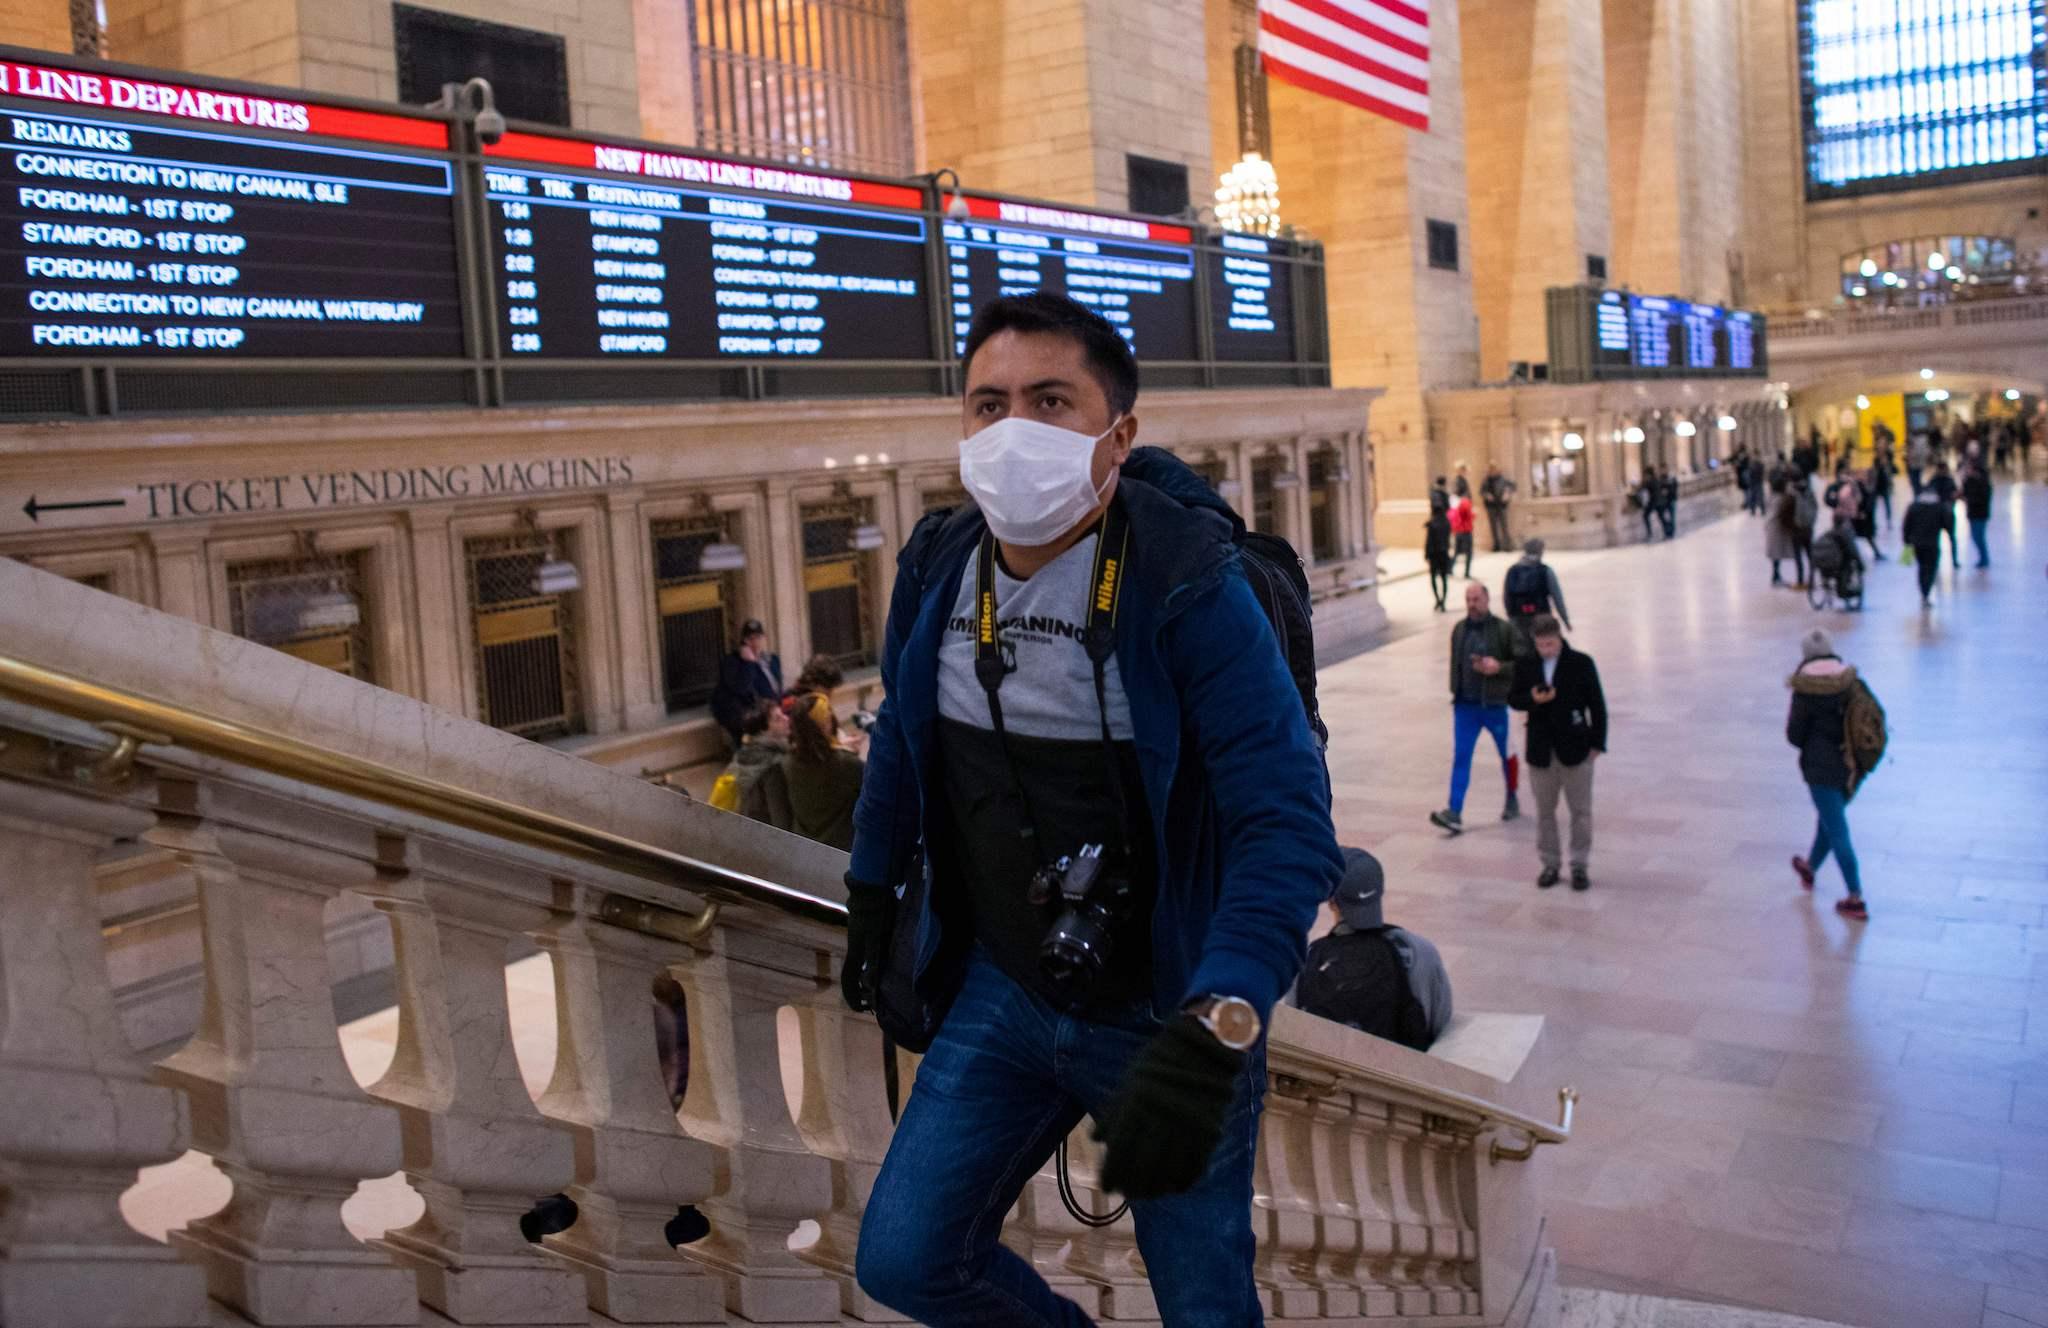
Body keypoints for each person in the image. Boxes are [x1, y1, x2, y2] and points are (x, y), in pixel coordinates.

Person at [841, 292, 1341, 1328]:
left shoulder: (1185, 582)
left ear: (1118, 434)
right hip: (1007, 986)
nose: (1010, 428)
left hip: (1170, 1006)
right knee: (903, 1255)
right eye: (987, 404)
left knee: (1204, 1302)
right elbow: (899, 734)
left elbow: (1285, 820)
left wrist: (1224, 1013)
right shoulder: (938, 565)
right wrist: (867, 888)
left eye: (1048, 399)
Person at [1290, 848, 1453, 1052]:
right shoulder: (1420, 953)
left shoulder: (1307, 959)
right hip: (1400, 1076)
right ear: (1379, 891)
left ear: (1332, 901)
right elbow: (1441, 1025)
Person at [1508, 614, 1606, 891]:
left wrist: (1597, 744)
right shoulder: (1527, 664)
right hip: (1541, 750)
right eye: (1541, 645)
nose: (1546, 650)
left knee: (1581, 811)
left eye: (1550, 644)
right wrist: (1533, 700)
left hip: (1575, 748)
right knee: (1545, 811)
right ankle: (1550, 863)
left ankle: (1579, 865)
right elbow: (1514, 699)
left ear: (1559, 638)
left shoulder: (1581, 664)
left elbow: (1597, 705)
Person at [1429, 583, 1524, 835]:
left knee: (1507, 754)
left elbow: (1523, 664)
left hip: (1495, 705)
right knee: (1461, 757)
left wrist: (1499, 668)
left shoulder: (1504, 630)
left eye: (1476, 598)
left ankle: (1512, 796)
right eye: (1468, 599)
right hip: (1465, 707)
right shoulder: (1459, 629)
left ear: (1487, 599)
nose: (1472, 603)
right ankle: (1454, 810)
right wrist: (1456, 691)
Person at [1786, 630, 1868, 921]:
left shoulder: (1805, 689)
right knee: (1829, 819)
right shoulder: (1850, 681)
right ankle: (1809, 868)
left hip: (1819, 768)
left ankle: (1855, 897)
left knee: (1836, 829)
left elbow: (1794, 736)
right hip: (1849, 764)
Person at [707, 698, 795, 829]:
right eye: (778, 719)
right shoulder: (774, 764)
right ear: (764, 731)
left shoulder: (744, 753)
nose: (786, 719)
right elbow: (779, 817)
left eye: (782, 714)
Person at [710, 619, 784, 747]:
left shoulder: (772, 659)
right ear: (744, 641)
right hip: (746, 710)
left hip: (772, 705)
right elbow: (742, 688)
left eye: (758, 638)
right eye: (750, 639)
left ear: (764, 638)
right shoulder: (733, 662)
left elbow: (777, 687)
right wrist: (749, 663)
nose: (755, 643)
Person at [1503, 538, 1571, 634]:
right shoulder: (1546, 571)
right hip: (1542, 617)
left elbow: (1507, 597)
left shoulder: (1512, 570)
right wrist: (1566, 620)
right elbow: (1557, 598)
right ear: (1540, 552)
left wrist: (1511, 617)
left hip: (1518, 619)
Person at [1900, 485, 1947, 606]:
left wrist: (1906, 541)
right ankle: (1926, 591)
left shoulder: (1914, 507)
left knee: (1922, 568)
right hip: (1932, 543)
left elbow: (1906, 525)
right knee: (1931, 568)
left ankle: (1924, 592)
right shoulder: (1939, 507)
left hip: (1917, 543)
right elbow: (1947, 523)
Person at [1927, 459, 1960, 568]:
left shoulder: (1934, 481)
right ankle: (1953, 560)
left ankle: (1938, 561)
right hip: (1946, 513)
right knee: (1950, 538)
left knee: (1937, 539)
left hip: (1939, 514)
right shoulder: (1948, 481)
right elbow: (1955, 495)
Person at [1961, 458, 1993, 568]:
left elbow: (1982, 498)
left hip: (1980, 513)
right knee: (1975, 536)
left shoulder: (1984, 483)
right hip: (1972, 513)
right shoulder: (1969, 481)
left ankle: (1984, 558)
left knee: (1978, 536)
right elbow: (1964, 492)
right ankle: (1983, 558)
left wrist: (1969, 499)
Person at [1424, 501, 1454, 612]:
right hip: (1444, 554)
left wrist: (1426, 555)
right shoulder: (1446, 523)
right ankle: (1443, 601)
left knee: (1433, 578)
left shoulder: (1432, 524)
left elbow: (1429, 541)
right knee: (1444, 578)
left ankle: (1438, 599)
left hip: (1434, 555)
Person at [1481, 462, 1515, 551]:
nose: (1492, 471)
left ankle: (1507, 545)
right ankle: (1496, 545)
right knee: (1493, 527)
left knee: (1504, 526)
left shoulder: (1503, 479)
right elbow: (1482, 491)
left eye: (1494, 469)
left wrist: (1507, 493)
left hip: (1502, 506)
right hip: (1491, 507)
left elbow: (1512, 486)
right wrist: (1487, 495)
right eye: (1491, 469)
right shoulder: (1486, 481)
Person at [1449, 488, 1476, 579]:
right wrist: (1473, 515)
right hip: (1465, 531)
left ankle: (1450, 569)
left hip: (1458, 531)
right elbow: (1468, 515)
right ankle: (1467, 572)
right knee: (1469, 553)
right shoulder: (1466, 503)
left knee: (1456, 552)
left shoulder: (1458, 503)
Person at [1634, 468, 1660, 542]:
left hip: (1653, 502)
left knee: (1646, 516)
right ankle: (1667, 532)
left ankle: (1650, 534)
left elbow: (1641, 488)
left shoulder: (1650, 481)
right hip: (1658, 502)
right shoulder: (1656, 479)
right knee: (1661, 517)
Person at [1905, 431, 1931, 496]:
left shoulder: (1918, 442)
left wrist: (1911, 456)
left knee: (1915, 481)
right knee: (1915, 481)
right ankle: (1917, 494)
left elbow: (1919, 454)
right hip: (1915, 465)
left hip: (1915, 465)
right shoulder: (1921, 442)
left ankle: (1917, 494)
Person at [1657, 466, 1680, 538]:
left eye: (1663, 469)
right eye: (1661, 470)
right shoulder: (1660, 479)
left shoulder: (1671, 478)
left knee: (1672, 517)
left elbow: (1675, 487)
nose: (1662, 471)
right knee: (1661, 516)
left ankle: (1671, 533)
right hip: (1664, 501)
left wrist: (1668, 491)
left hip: (1671, 500)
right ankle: (1667, 530)